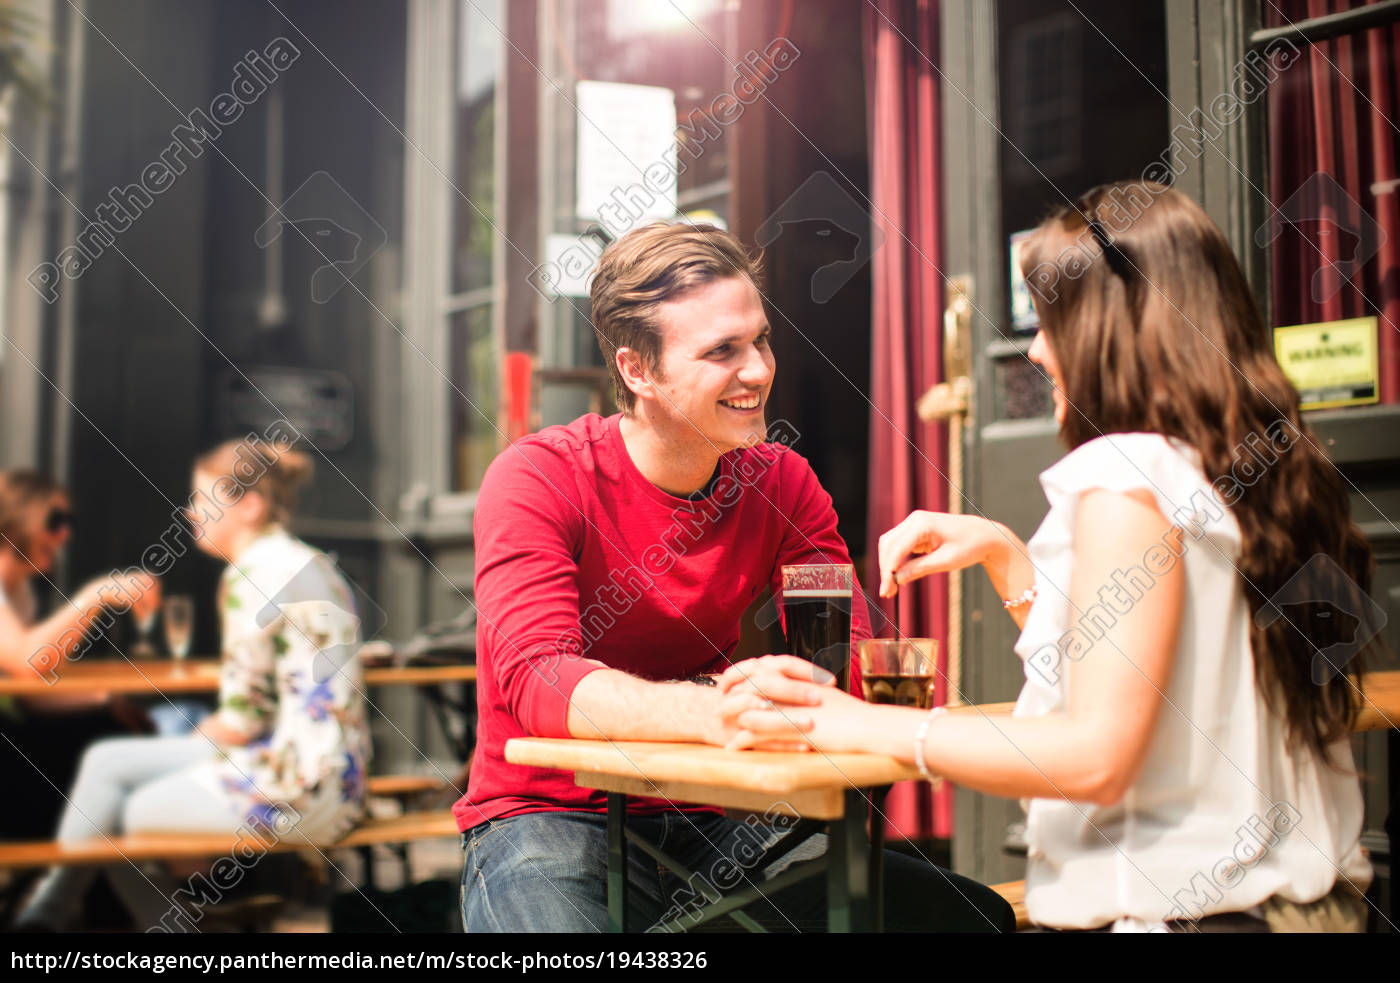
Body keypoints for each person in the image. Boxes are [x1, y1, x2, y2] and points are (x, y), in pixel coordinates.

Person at [723, 182, 1379, 933]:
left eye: (1049, 320)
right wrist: (1008, 557)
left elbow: (1096, 752)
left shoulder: (1125, 474)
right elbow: (1172, 678)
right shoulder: (1256, 463)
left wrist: (852, 724)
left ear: (1111, 327)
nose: (1035, 349)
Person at [458, 221, 1014, 933]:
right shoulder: (540, 477)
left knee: (963, 916)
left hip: (710, 815)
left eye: (760, 340)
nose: (757, 369)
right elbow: (538, 680)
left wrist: (835, 685)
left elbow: (843, 648)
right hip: (548, 812)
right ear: (638, 370)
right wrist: (722, 712)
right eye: (722, 351)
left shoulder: (780, 479)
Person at [16, 438, 371, 931]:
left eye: (204, 500)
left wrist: (172, 755)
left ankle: (49, 923)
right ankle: (61, 918)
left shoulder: (251, 576)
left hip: (296, 793)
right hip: (341, 784)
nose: (190, 513)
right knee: (107, 766)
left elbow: (242, 724)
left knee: (116, 810)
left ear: (249, 505)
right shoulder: (314, 563)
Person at [0, 470, 160, 841]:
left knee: (113, 732)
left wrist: (104, 699)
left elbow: (31, 695)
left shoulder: (19, 592)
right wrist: (98, 595)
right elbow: (29, 663)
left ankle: (93, 882)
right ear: (15, 519)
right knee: (106, 757)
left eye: (68, 523)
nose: (65, 535)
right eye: (55, 522)